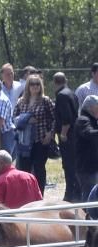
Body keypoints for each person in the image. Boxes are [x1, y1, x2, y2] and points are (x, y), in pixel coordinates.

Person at [13, 73, 56, 193]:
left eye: (37, 84)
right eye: (32, 84)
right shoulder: (21, 101)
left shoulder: (45, 100)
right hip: (25, 142)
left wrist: (50, 134)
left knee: (39, 168)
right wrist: (25, 119)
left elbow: (55, 118)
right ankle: (27, 194)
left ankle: (40, 194)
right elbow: (14, 118)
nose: (35, 86)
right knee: (25, 170)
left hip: (40, 140)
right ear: (28, 86)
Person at [54, 71, 81, 201]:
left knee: (69, 164)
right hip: (75, 134)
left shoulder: (61, 96)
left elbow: (66, 118)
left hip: (68, 135)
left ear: (55, 83)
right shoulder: (71, 93)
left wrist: (63, 134)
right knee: (73, 164)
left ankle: (71, 193)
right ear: (66, 80)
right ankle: (74, 191)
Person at [75, 95, 98, 198]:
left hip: (92, 165)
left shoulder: (92, 120)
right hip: (86, 166)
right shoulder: (83, 120)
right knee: (89, 194)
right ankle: (86, 213)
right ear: (90, 107)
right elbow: (89, 133)